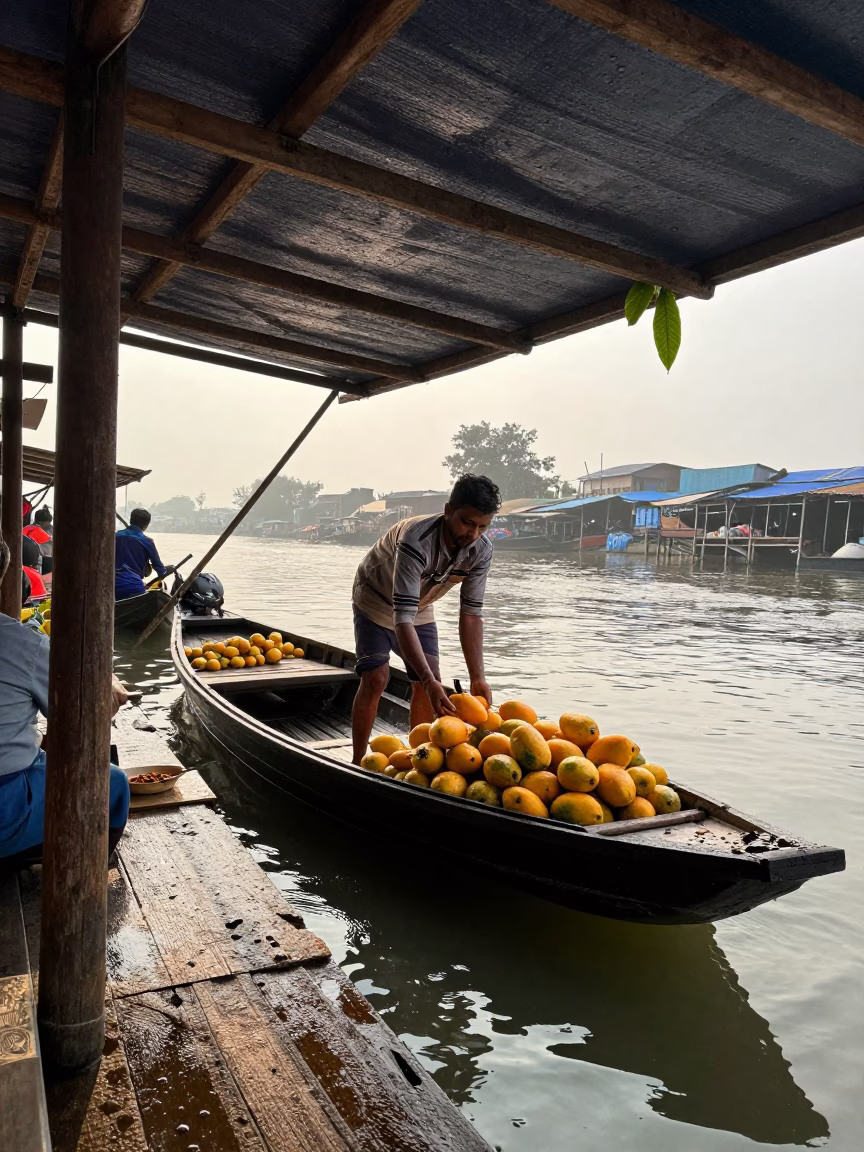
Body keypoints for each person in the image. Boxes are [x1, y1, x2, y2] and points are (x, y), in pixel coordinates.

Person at [351, 474, 501, 764]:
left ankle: (416, 761)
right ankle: (357, 762)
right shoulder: (416, 539)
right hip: (375, 597)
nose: (473, 534)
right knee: (376, 679)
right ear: (448, 512)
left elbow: (471, 613)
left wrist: (477, 677)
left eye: (483, 527)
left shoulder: (482, 550)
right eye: (467, 523)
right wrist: (429, 680)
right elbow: (401, 619)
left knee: (427, 684)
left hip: (419, 604)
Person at [0, 534, 130, 860]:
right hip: (6, 807)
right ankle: (89, 871)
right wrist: (108, 693)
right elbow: (82, 719)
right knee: (113, 782)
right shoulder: (21, 643)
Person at [115, 508, 172, 601]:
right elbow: (160, 570)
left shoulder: (114, 536)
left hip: (109, 585)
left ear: (130, 520)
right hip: (134, 587)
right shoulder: (147, 541)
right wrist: (166, 571)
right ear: (146, 526)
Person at [24, 506, 53, 576]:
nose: (50, 524)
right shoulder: (34, 531)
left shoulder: (26, 528)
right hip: (37, 561)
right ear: (41, 522)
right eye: (48, 522)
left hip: (42, 560)